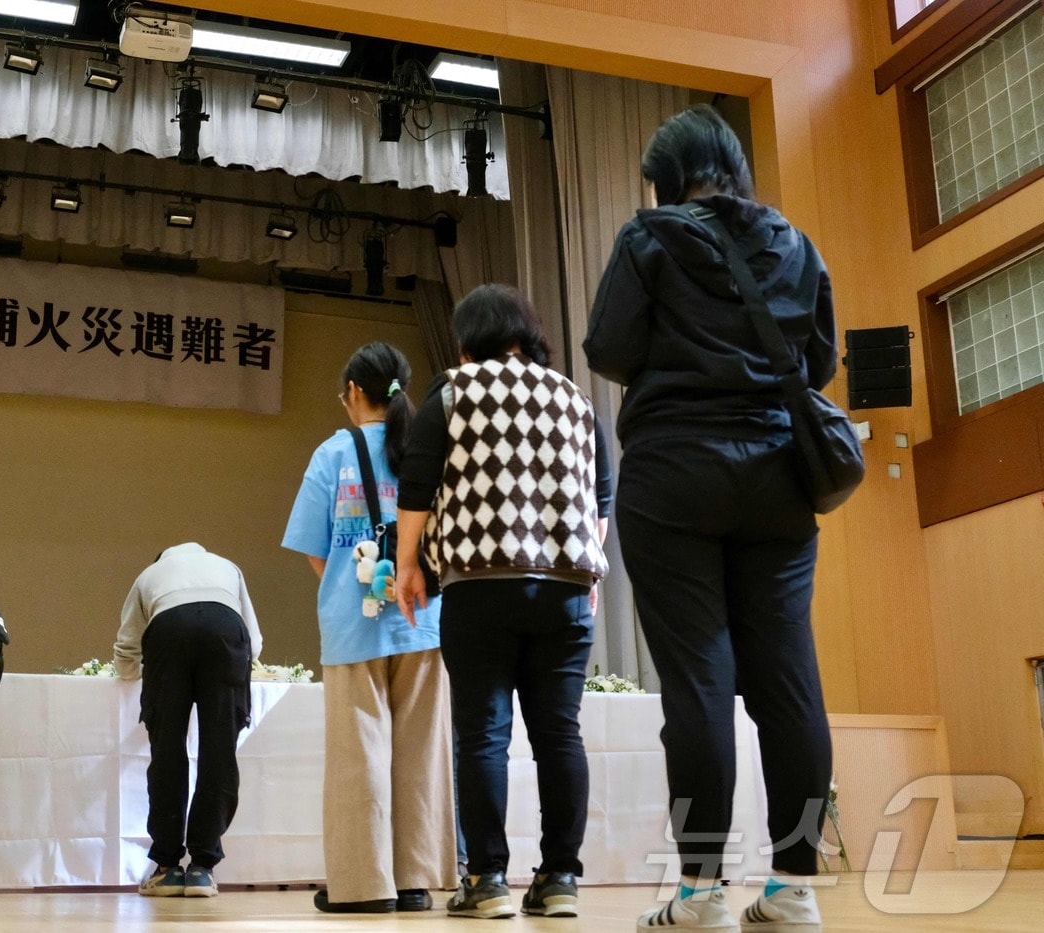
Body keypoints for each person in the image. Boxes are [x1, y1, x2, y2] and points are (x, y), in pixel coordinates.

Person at [584, 103, 834, 932]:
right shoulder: (795, 245)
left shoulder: (649, 239)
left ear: (668, 176)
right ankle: (794, 885)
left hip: (674, 476)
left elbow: (609, 349)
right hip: (777, 477)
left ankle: (700, 895)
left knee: (700, 682)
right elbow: (822, 360)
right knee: (789, 682)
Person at [394, 288, 610, 920]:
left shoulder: (454, 393)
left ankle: (487, 879)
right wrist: (584, 570)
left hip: (480, 584)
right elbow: (601, 500)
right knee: (558, 735)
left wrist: (409, 565)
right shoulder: (573, 398)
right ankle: (561, 877)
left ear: (467, 340)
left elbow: (418, 488)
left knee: (483, 736)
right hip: (565, 590)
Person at [282, 342, 455, 914]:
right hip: (424, 621)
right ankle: (415, 879)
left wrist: (347, 584)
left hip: (354, 622)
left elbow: (313, 550)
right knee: (421, 753)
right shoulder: (432, 447)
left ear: (354, 392)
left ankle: (364, 885)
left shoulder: (331, 454)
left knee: (360, 753)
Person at [114, 542, 263, 899]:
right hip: (226, 631)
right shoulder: (228, 565)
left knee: (167, 754)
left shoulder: (149, 574)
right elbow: (254, 642)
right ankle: (202, 869)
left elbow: (127, 643)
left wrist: (127, 674)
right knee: (219, 755)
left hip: (168, 632)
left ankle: (166, 868)